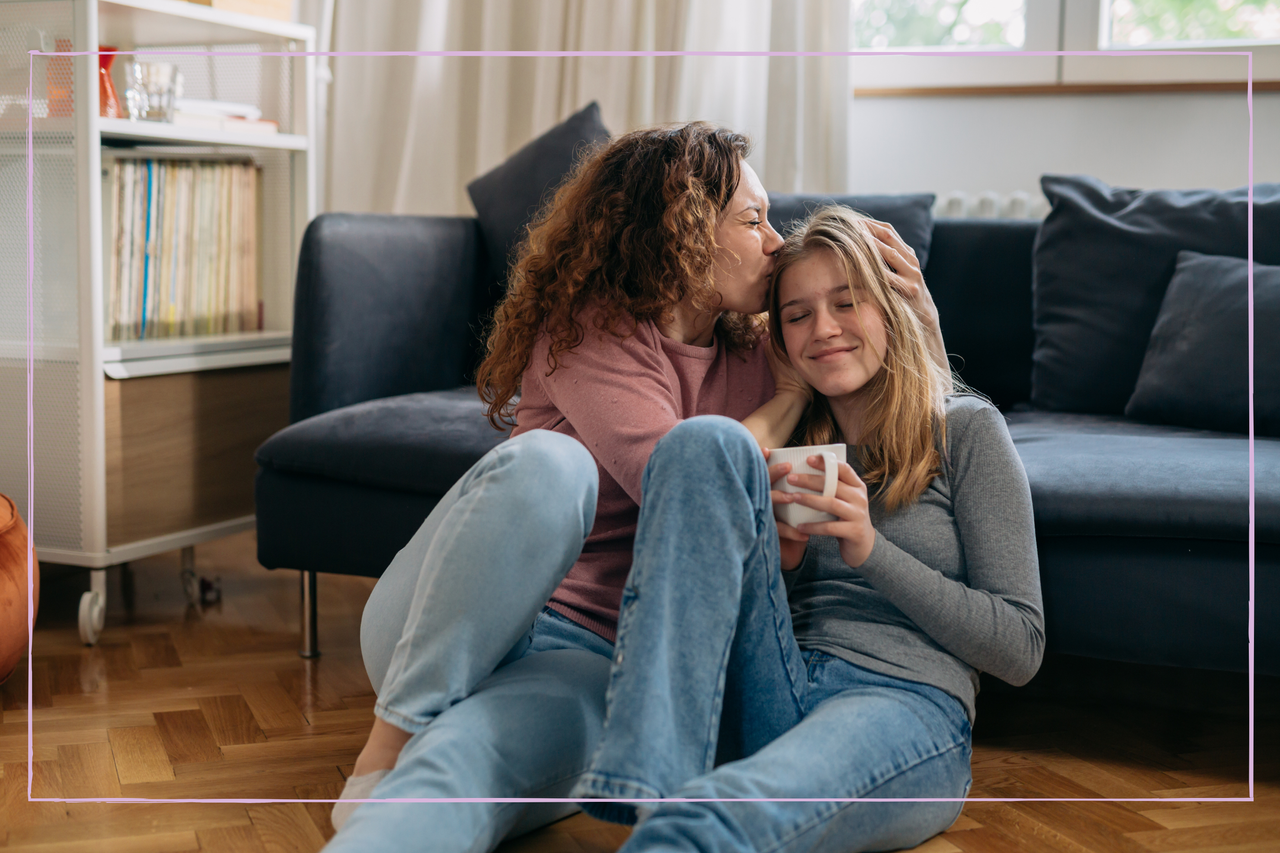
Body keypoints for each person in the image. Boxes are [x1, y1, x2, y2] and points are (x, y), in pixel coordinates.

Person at [323, 124, 947, 852]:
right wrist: (781, 406)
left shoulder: (763, 348)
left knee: (466, 763)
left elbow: (893, 409)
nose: (775, 241)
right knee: (552, 467)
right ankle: (390, 735)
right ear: (680, 231)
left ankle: (403, 791)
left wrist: (922, 320)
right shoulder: (588, 331)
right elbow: (682, 480)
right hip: (455, 616)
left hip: (589, 658)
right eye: (752, 220)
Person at [569, 205, 1045, 853]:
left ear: (888, 308)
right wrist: (782, 559)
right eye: (797, 315)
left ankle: (674, 814)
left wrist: (870, 550)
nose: (824, 329)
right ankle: (648, 776)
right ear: (782, 340)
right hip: (777, 682)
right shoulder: (792, 444)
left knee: (709, 821)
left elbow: (1020, 648)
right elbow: (705, 513)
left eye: (847, 303)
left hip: (900, 701)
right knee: (700, 442)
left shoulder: (965, 430)